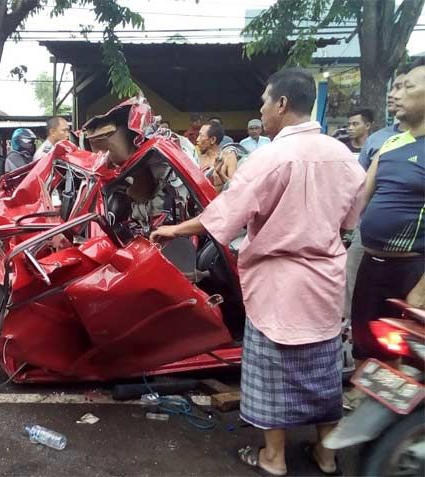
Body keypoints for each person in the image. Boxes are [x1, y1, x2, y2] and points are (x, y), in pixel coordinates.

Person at [151, 68, 365, 476]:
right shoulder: (344, 156)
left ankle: (274, 457)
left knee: (273, 373)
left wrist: (175, 229)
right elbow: (350, 218)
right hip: (324, 282)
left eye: (265, 102)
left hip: (276, 284)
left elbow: (226, 216)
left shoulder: (268, 157)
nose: (262, 111)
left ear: (282, 104)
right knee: (324, 368)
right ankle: (326, 454)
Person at [350, 59, 425, 370]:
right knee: (364, 346)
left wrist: (422, 288)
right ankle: (364, 410)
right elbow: (359, 198)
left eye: (409, 87)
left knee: (409, 359)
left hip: (412, 268)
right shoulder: (391, 143)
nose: (397, 94)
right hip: (371, 263)